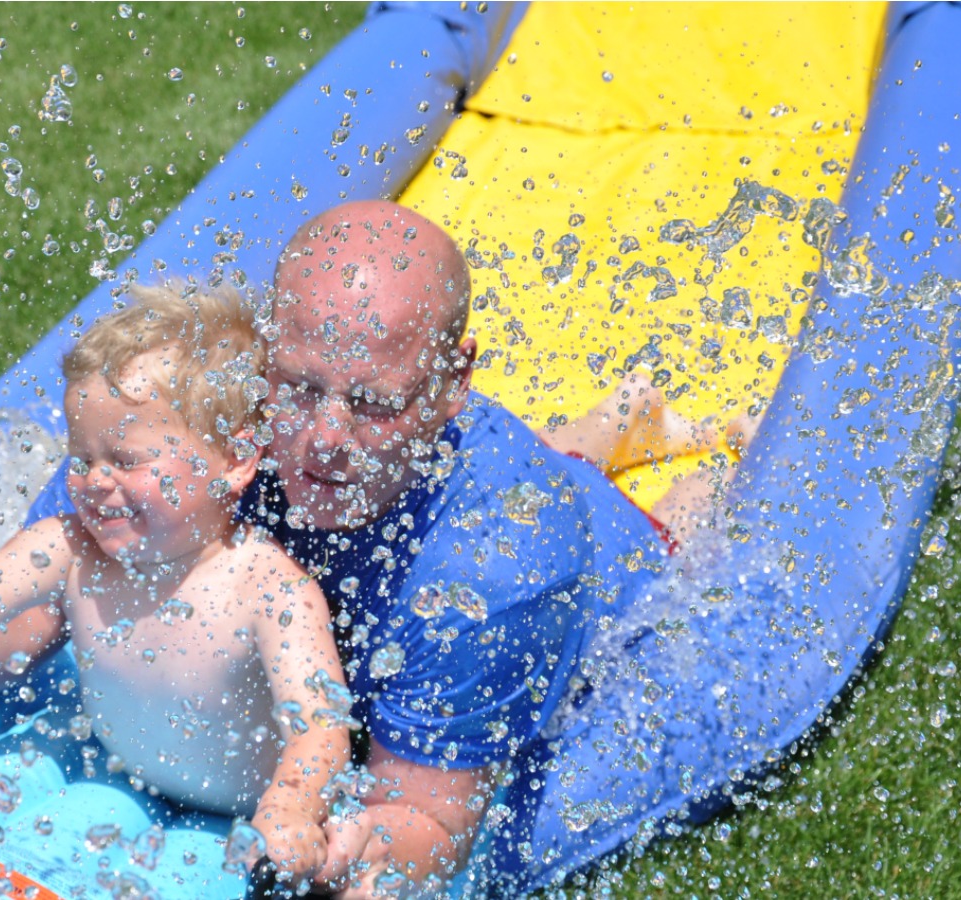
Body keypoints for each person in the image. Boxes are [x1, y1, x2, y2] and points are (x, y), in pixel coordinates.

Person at [246, 199, 743, 896]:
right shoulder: (222, 408)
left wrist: (360, 841)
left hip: (611, 552)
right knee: (505, 467)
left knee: (669, 529)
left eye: (374, 405)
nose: (324, 440)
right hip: (496, 474)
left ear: (454, 383)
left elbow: (430, 819)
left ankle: (717, 475)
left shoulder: (493, 577)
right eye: (299, 387)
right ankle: (621, 418)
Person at [0, 284, 350, 883]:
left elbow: (319, 728)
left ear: (235, 459)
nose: (95, 481)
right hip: (109, 778)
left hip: (228, 827)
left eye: (126, 461)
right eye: (81, 459)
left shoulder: (270, 591)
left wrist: (292, 807)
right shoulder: (73, 548)